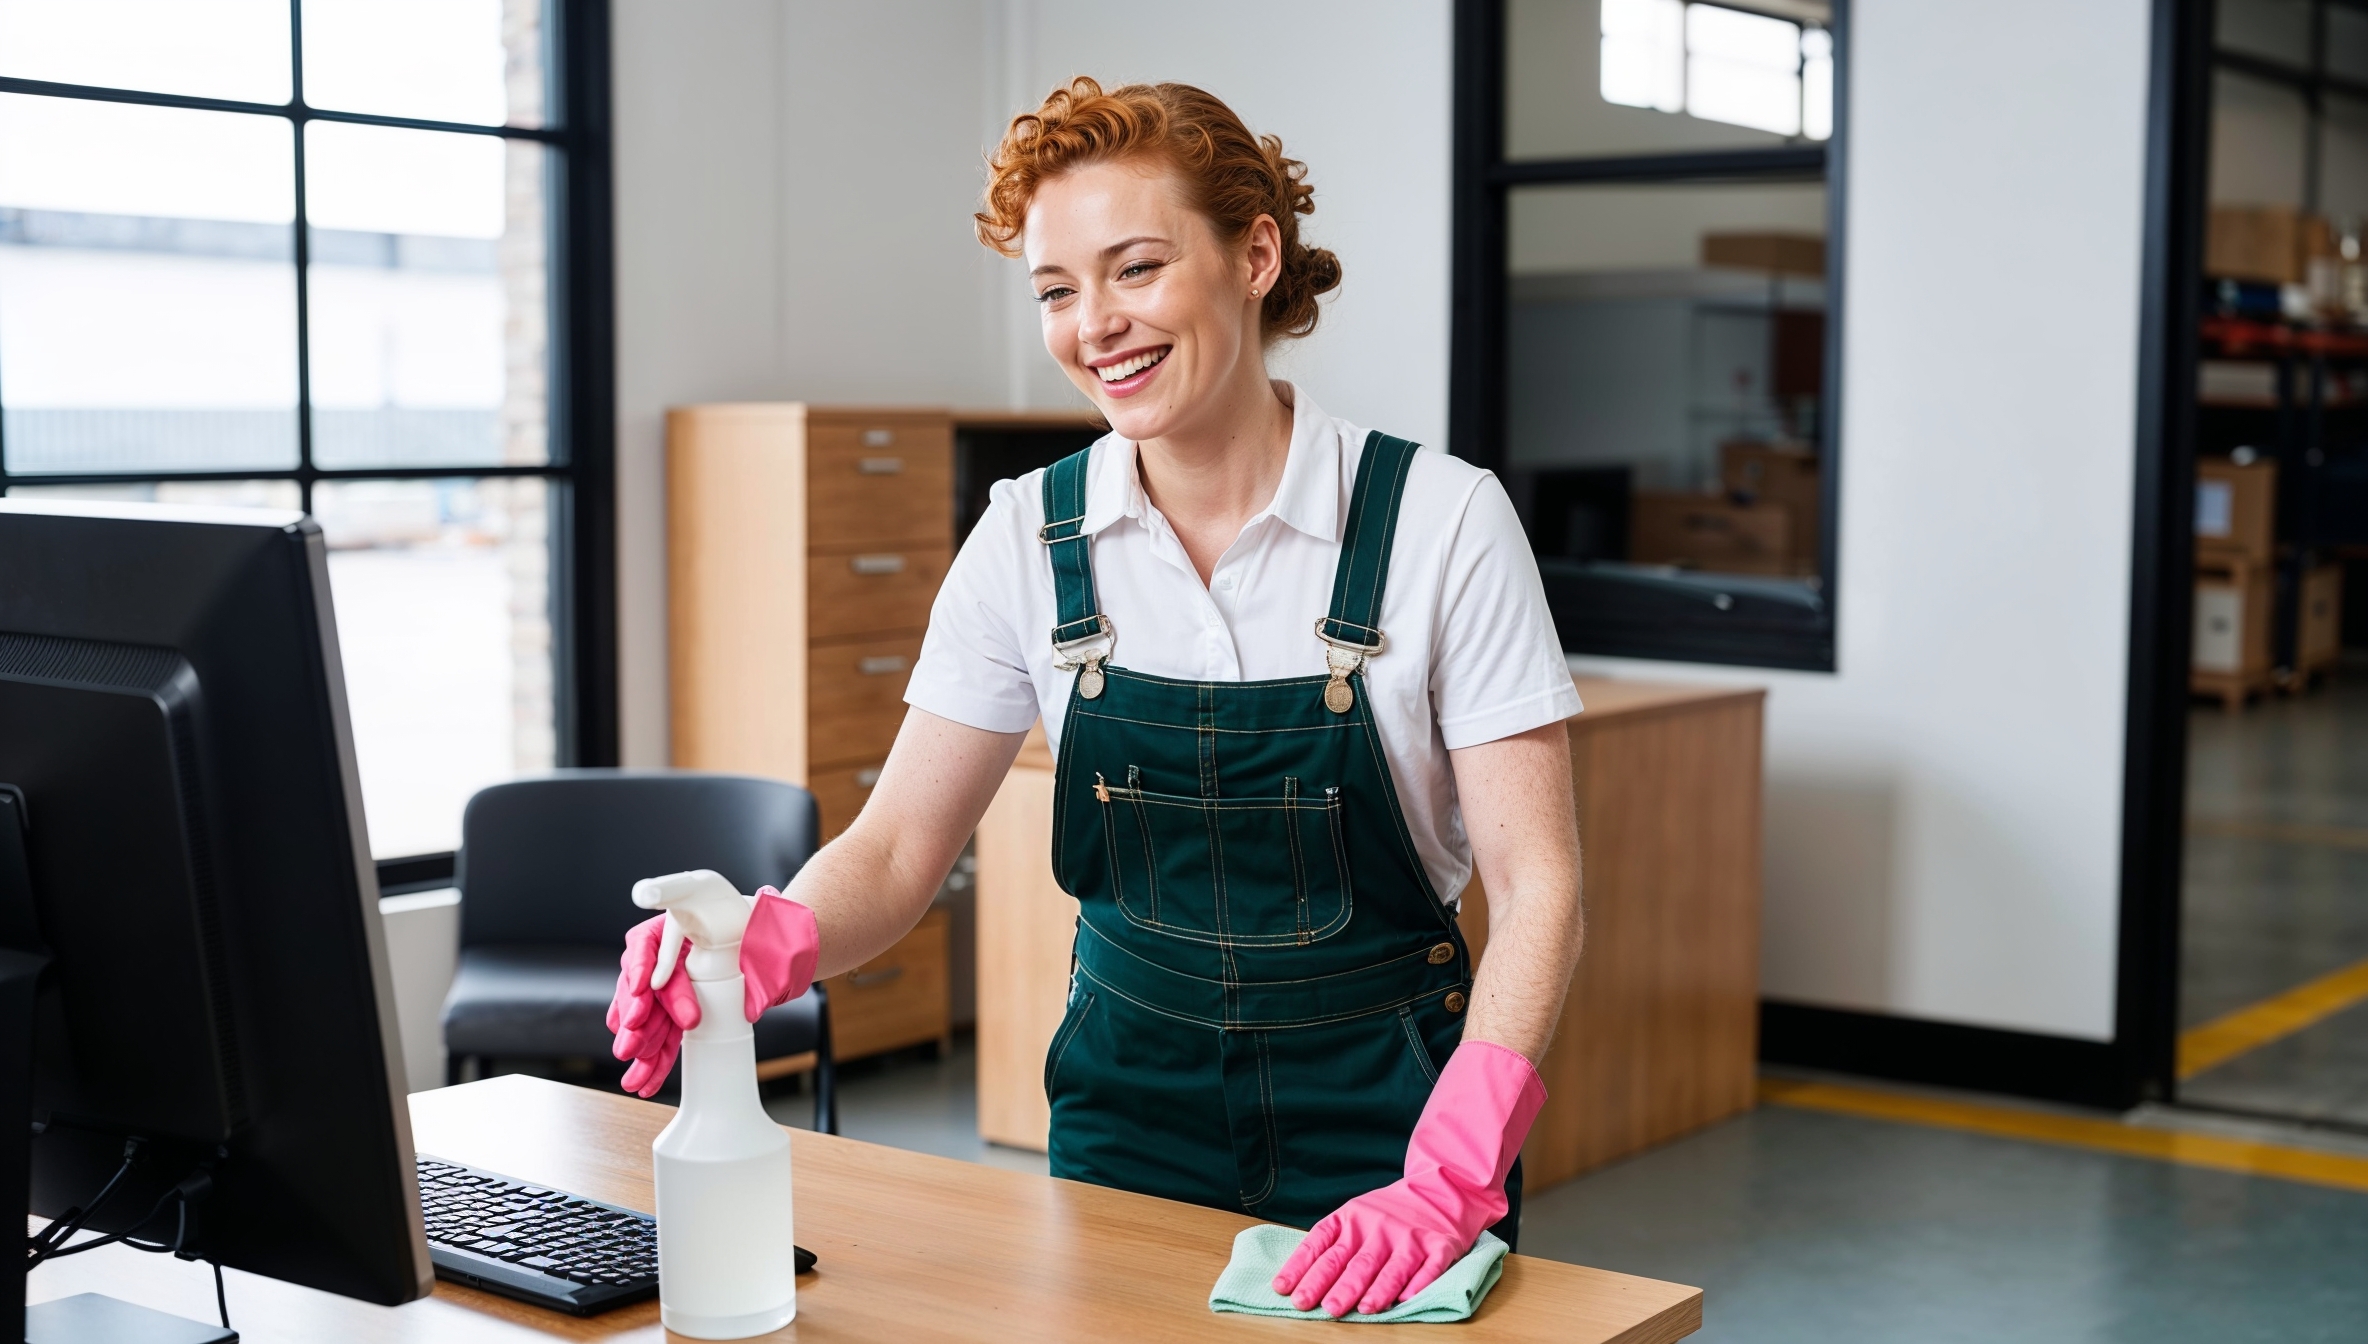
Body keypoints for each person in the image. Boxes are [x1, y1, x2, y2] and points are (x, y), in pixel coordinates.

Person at [609, 77, 1584, 1319]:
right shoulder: (1027, 533)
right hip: (1127, 1108)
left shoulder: (1441, 522)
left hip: (1391, 1112)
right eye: (1058, 291)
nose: (1094, 327)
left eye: (1134, 269)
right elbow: (902, 843)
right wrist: (764, 942)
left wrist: (1453, 1168)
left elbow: (1539, 878)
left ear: (1255, 255)